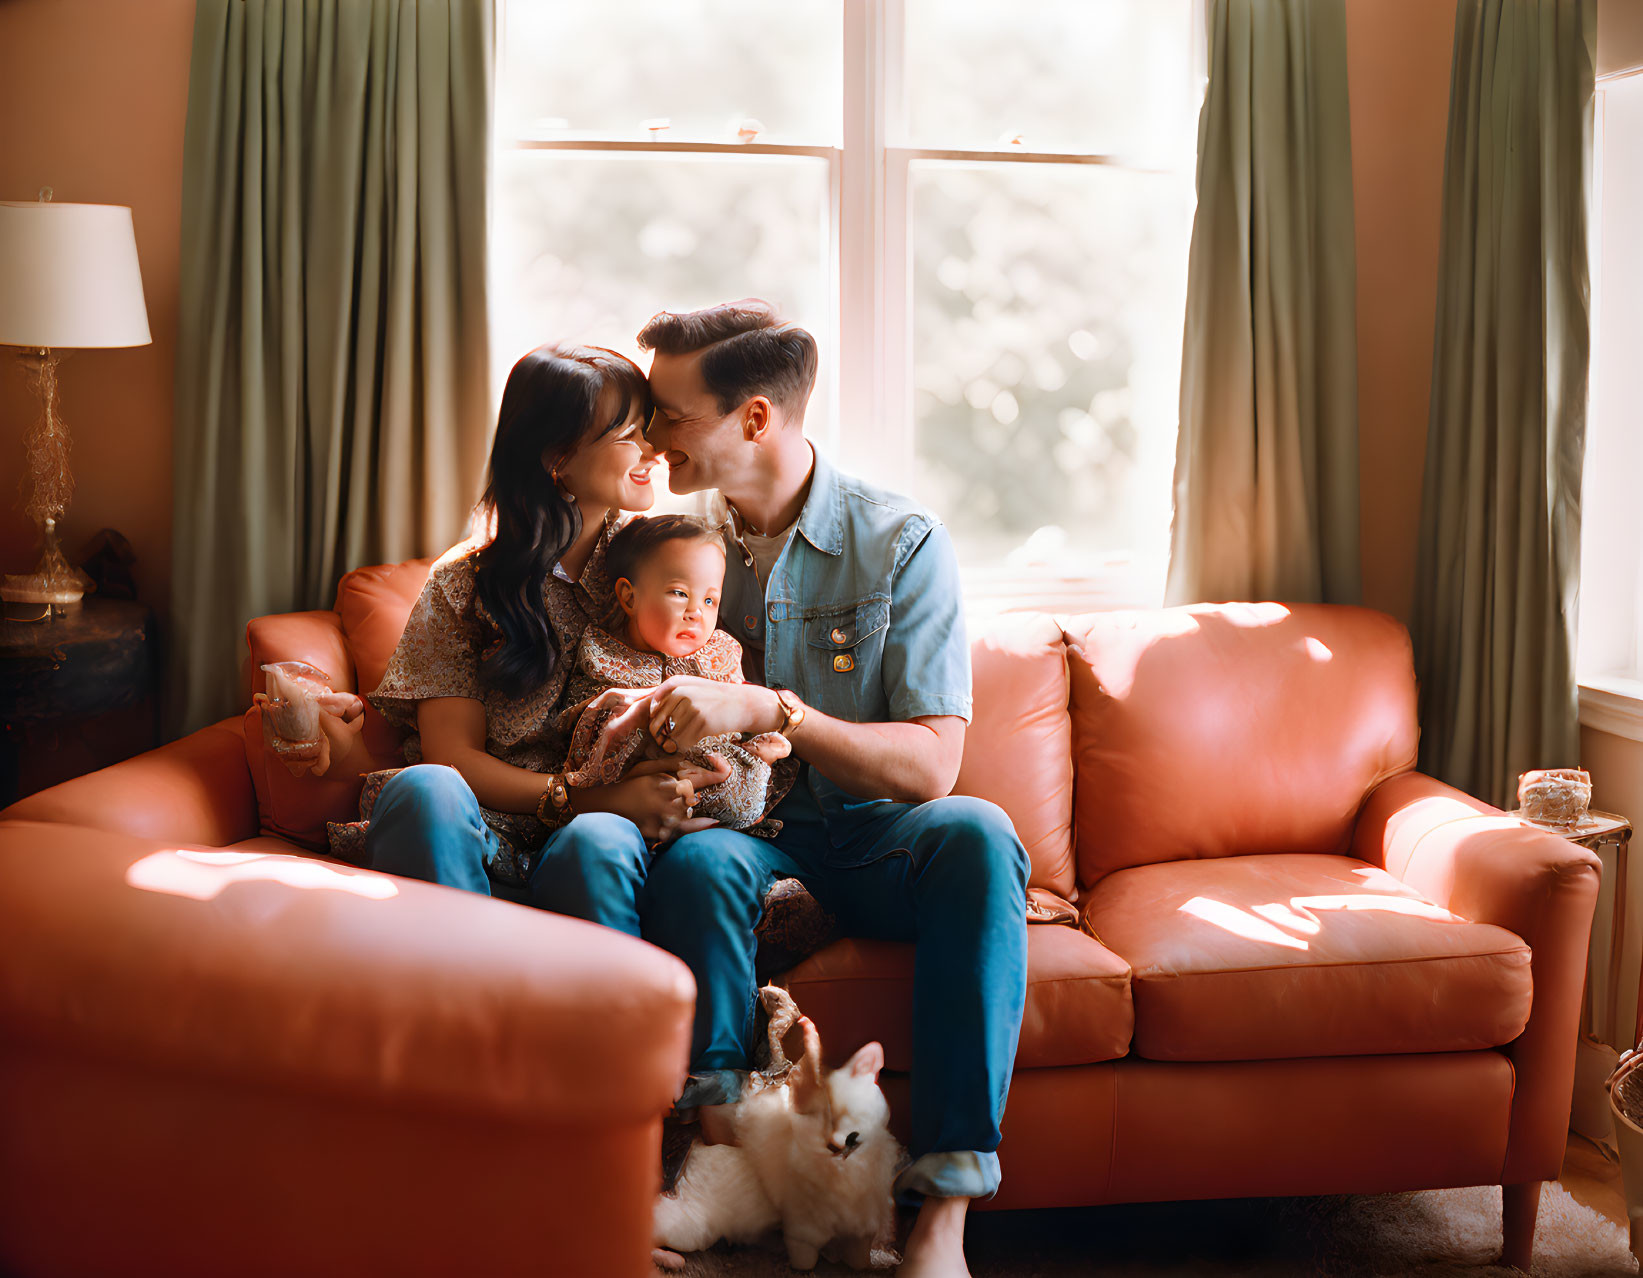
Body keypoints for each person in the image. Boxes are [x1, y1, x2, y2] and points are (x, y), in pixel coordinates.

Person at [627, 300, 1030, 1278]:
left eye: (667, 414)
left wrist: (774, 711)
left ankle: (941, 1211)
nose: (646, 435)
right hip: (753, 833)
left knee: (977, 833)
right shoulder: (671, 548)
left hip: (875, 836)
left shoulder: (899, 542)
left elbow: (932, 764)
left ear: (754, 419)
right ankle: (721, 1156)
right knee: (699, 861)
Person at [298, 342, 726, 928]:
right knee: (427, 787)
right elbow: (452, 758)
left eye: (648, 428)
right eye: (630, 434)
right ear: (558, 457)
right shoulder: (464, 583)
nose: (654, 449)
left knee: (599, 838)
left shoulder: (665, 567)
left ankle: (592, 1002)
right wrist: (581, 795)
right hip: (471, 834)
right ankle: (467, 992)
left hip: (590, 844)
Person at [556, 512, 793, 833]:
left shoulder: (720, 652)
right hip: (637, 787)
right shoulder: (602, 654)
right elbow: (583, 736)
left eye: (710, 600)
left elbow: (741, 713)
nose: (695, 612)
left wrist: (749, 747)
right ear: (630, 596)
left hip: (716, 766)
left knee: (744, 786)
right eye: (679, 593)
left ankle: (719, 792)